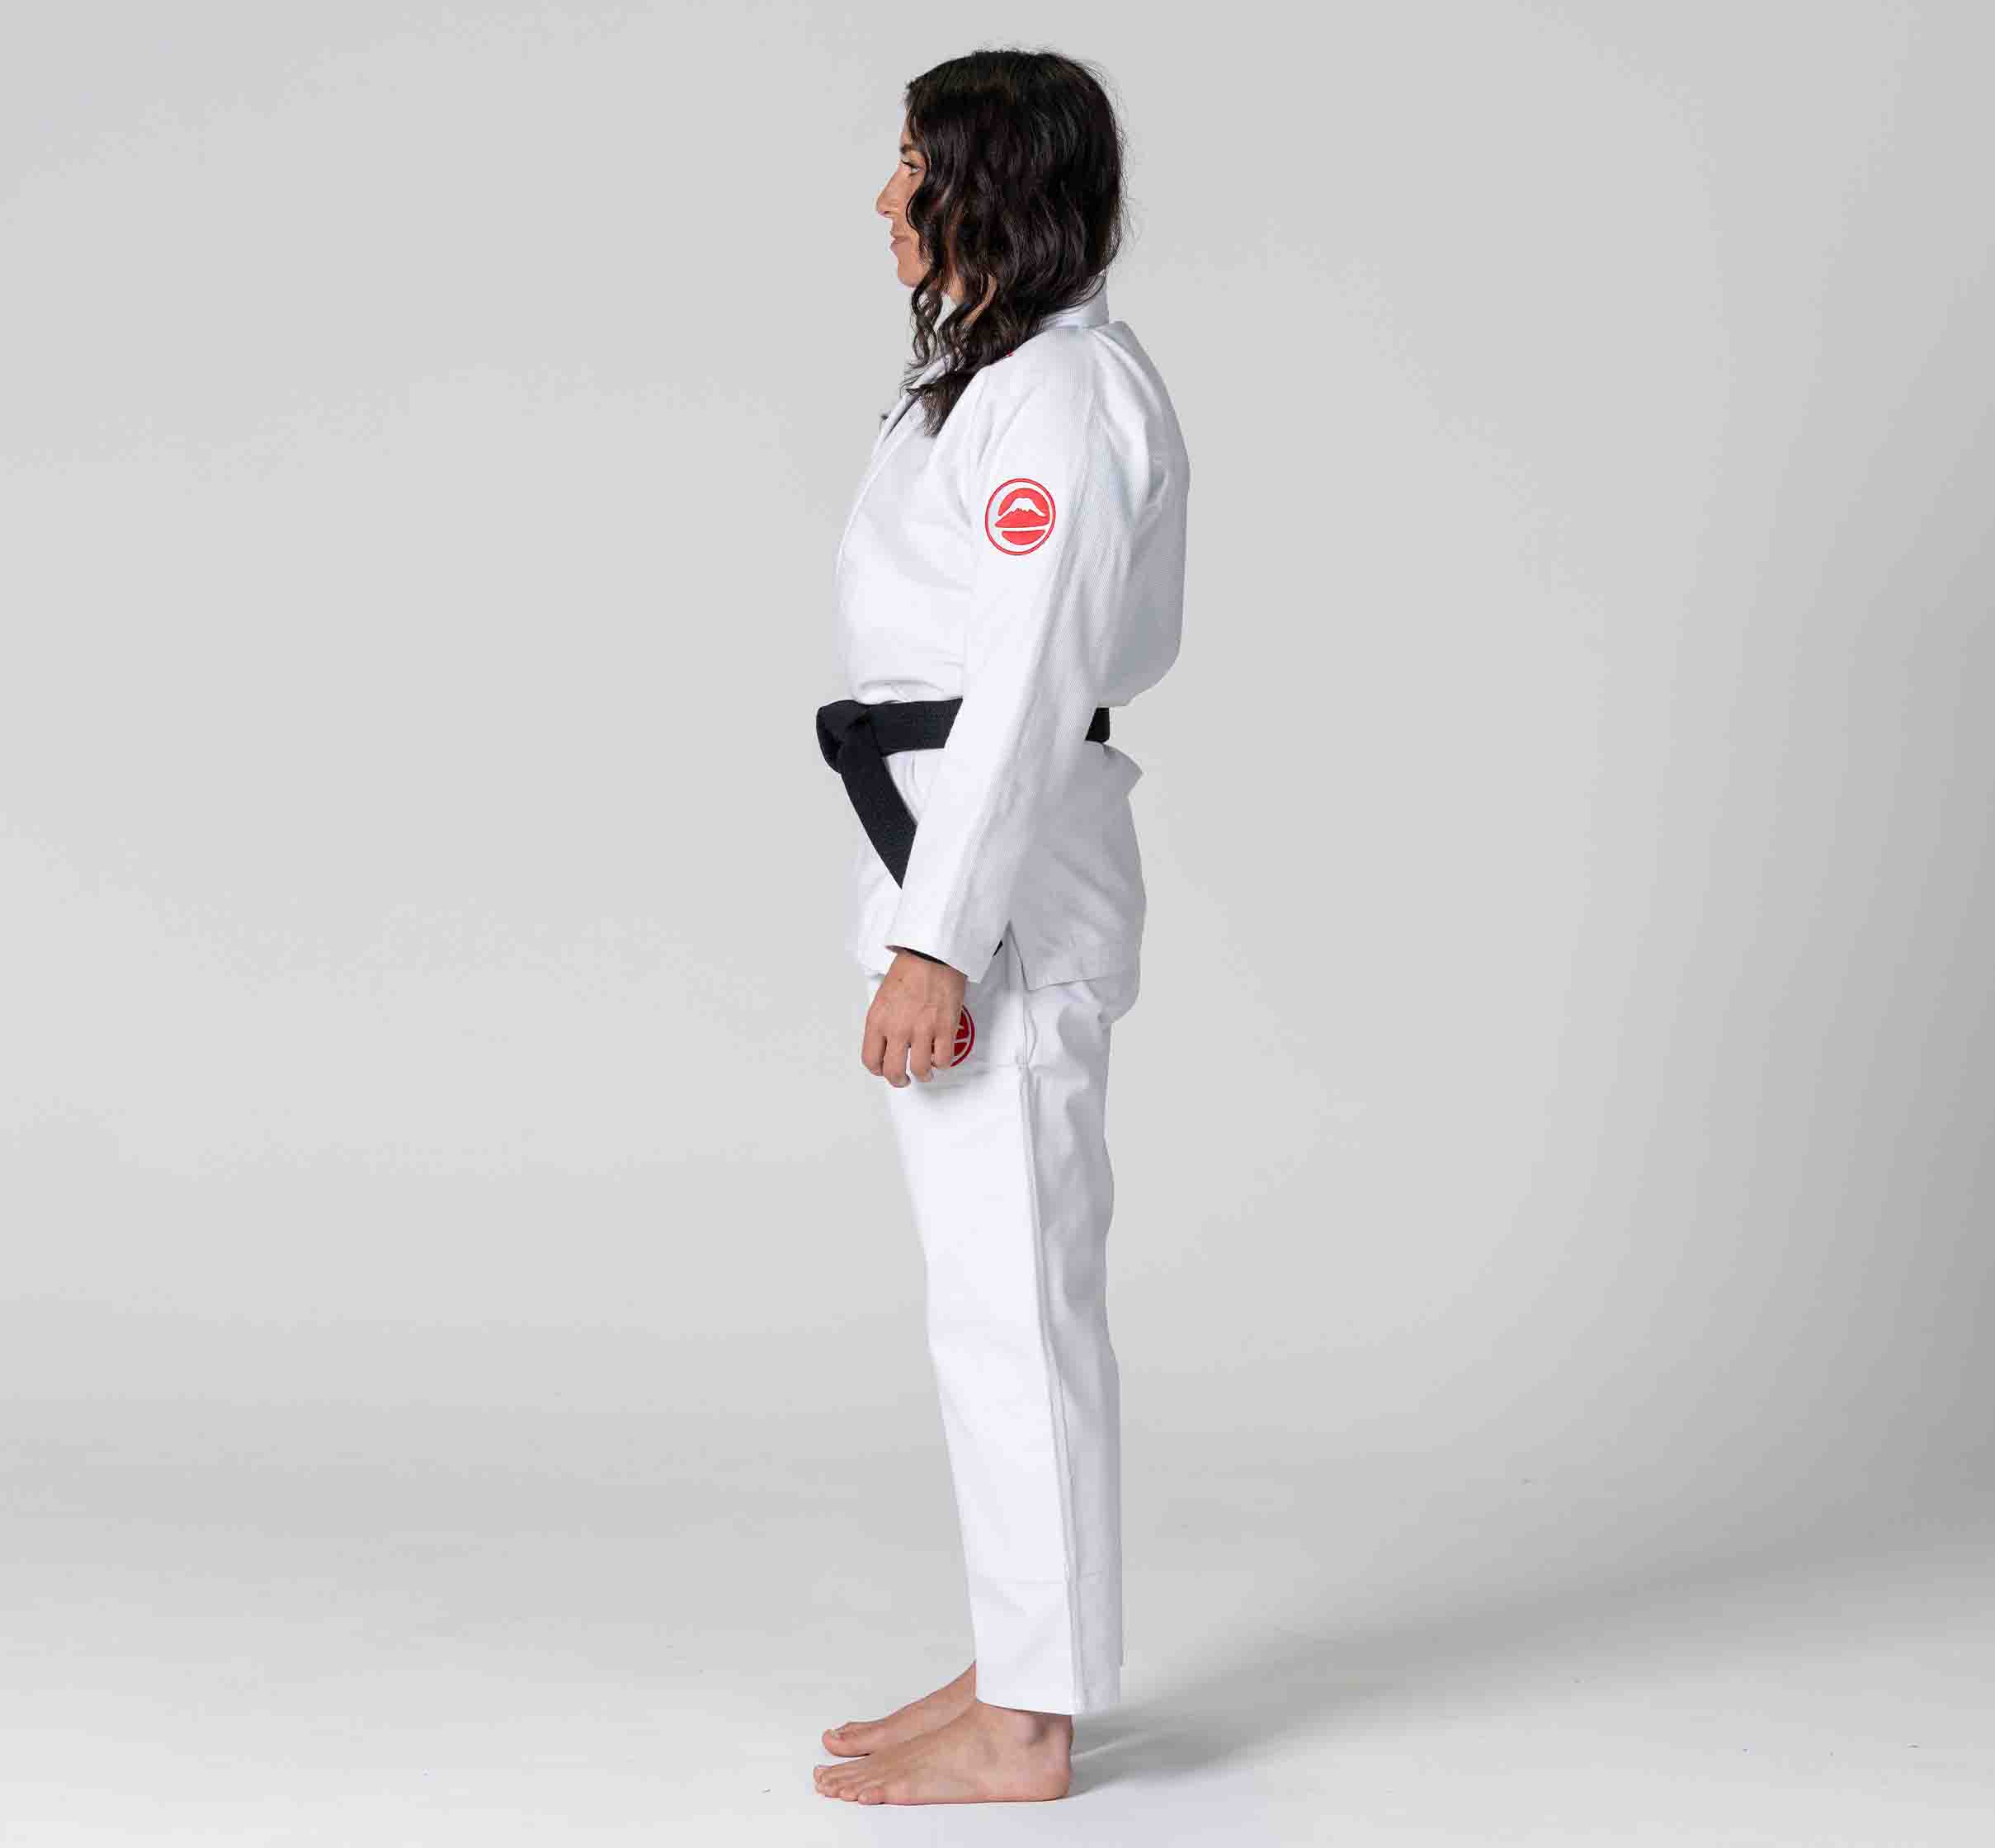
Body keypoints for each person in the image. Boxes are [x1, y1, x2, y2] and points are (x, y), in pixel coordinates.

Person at [811, 47, 1189, 1807]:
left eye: (914, 163)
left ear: (996, 185)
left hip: (1001, 895)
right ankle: (1019, 1653)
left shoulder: (1063, 398)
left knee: (1015, 1304)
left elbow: (1029, 681)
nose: (887, 196)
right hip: (963, 859)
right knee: (987, 1296)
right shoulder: (997, 380)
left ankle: (1029, 1724)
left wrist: (939, 941)